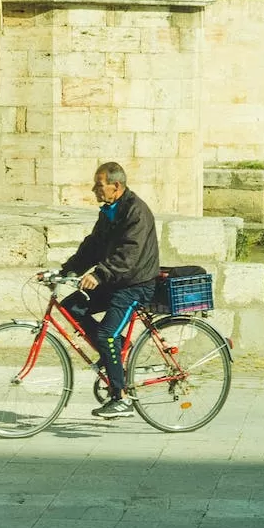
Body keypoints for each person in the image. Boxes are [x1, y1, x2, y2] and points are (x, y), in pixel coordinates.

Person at [57, 162, 159, 419]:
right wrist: (67, 270)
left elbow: (128, 254)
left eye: (99, 185)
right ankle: (118, 351)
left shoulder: (136, 212)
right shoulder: (110, 210)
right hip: (116, 282)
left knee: (106, 335)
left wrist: (99, 274)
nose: (94, 189)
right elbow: (93, 245)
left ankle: (121, 398)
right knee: (71, 306)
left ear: (116, 186)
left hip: (135, 285)